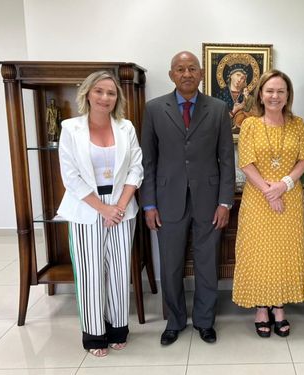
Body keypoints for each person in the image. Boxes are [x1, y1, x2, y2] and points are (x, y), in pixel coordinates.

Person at [140, 51, 235, 345]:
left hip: (209, 199)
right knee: (170, 264)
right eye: (180, 69)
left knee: (207, 263)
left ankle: (205, 321)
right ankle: (175, 320)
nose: (187, 73)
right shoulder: (155, 109)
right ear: (171, 75)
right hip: (167, 198)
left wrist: (225, 202)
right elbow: (148, 160)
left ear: (202, 73)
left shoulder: (218, 108)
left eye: (192, 68)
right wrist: (150, 204)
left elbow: (226, 160)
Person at [57, 71, 143, 357]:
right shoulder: (70, 128)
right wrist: (103, 208)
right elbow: (70, 176)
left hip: (122, 205)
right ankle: (94, 335)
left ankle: (119, 328)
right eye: (99, 91)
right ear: (87, 94)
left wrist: (118, 206)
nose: (105, 98)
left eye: (111, 93)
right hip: (87, 207)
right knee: (90, 272)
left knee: (119, 272)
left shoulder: (126, 127)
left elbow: (136, 168)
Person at [232, 69, 304, 338]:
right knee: (258, 252)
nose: (275, 96)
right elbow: (246, 162)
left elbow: (303, 160)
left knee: (285, 253)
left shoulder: (297, 123)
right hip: (257, 199)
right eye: (270, 91)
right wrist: (269, 191)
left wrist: (283, 185)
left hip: (289, 196)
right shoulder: (251, 124)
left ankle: (279, 307)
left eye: (281, 91)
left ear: (288, 95)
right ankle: (261, 307)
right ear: (261, 95)